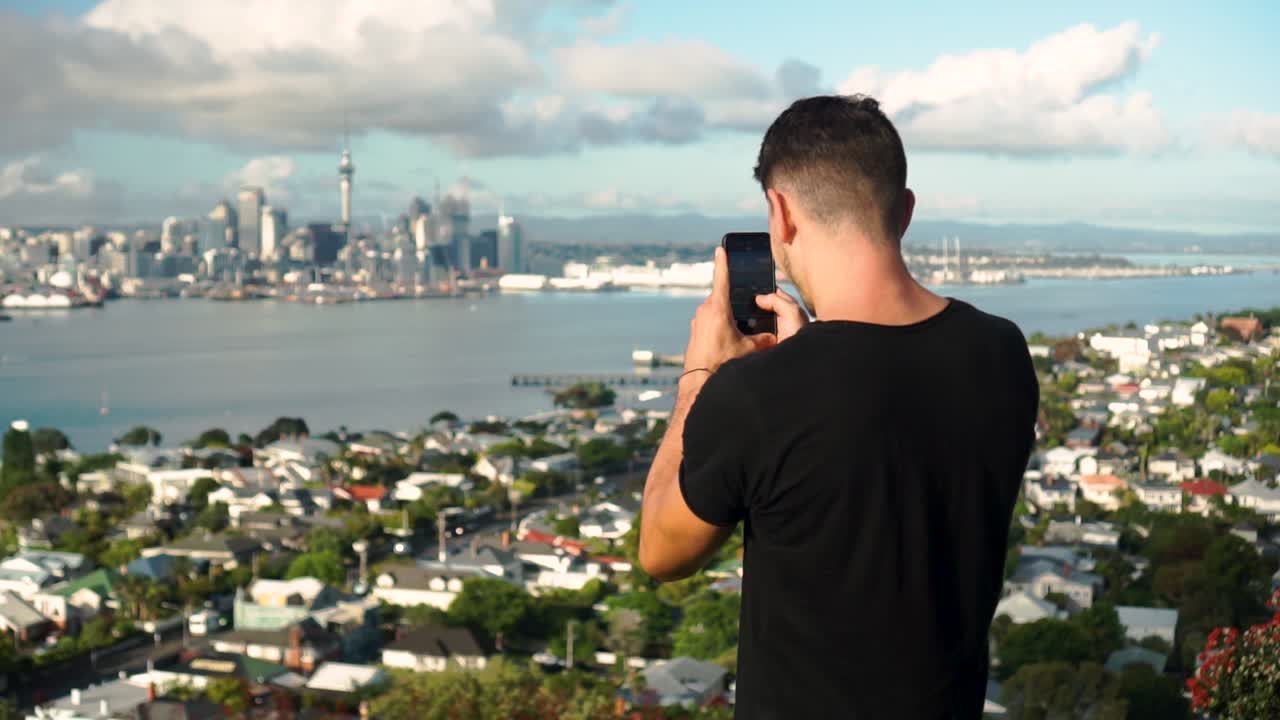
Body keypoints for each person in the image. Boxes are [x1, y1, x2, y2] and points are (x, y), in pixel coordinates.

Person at [639, 95, 1039, 719]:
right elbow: (877, 421)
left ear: (780, 213)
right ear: (903, 212)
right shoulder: (1002, 351)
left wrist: (699, 378)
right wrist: (806, 356)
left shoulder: (758, 396)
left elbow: (661, 551)